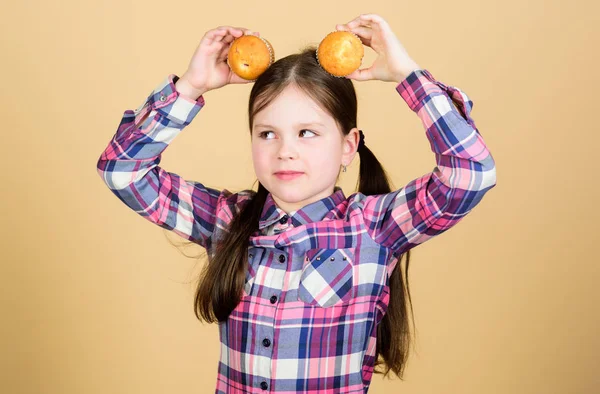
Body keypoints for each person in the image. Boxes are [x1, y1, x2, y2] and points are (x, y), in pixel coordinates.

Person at [97, 13, 497, 394]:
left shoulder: (374, 228)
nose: (285, 151)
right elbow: (123, 171)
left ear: (347, 146)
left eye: (307, 132)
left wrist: (409, 76)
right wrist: (190, 87)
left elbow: (470, 174)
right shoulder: (226, 221)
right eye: (268, 134)